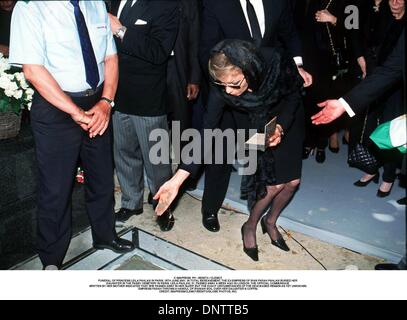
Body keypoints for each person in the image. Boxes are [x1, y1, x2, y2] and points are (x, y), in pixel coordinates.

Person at [9, 1, 134, 270]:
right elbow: (32, 70)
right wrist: (75, 112)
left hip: (98, 105)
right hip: (56, 108)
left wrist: (106, 103)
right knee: (56, 188)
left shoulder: (96, 3)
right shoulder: (30, 8)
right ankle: (52, 259)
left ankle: (105, 236)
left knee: (101, 177)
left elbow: (110, 58)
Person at [155, 40, 304, 261]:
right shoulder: (222, 91)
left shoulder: (275, 60)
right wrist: (177, 179)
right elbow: (206, 133)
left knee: (292, 182)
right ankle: (250, 226)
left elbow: (294, 94)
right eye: (222, 85)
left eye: (234, 84)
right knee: (274, 185)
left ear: (249, 69)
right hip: (251, 122)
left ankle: (270, 221)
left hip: (286, 117)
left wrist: (281, 126)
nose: (229, 92)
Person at [197, 0, 312, 233]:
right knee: (220, 151)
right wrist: (227, 90)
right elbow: (206, 50)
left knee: (261, 152)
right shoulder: (217, 5)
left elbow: (289, 35)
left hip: (268, 91)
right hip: (232, 91)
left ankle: (255, 212)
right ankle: (210, 208)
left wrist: (296, 66)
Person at [108, 0, 180, 231]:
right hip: (116, 92)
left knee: (156, 160)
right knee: (124, 153)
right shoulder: (113, 1)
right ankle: (131, 203)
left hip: (148, 96)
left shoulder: (166, 6)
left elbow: (158, 52)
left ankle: (162, 205)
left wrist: (120, 30)